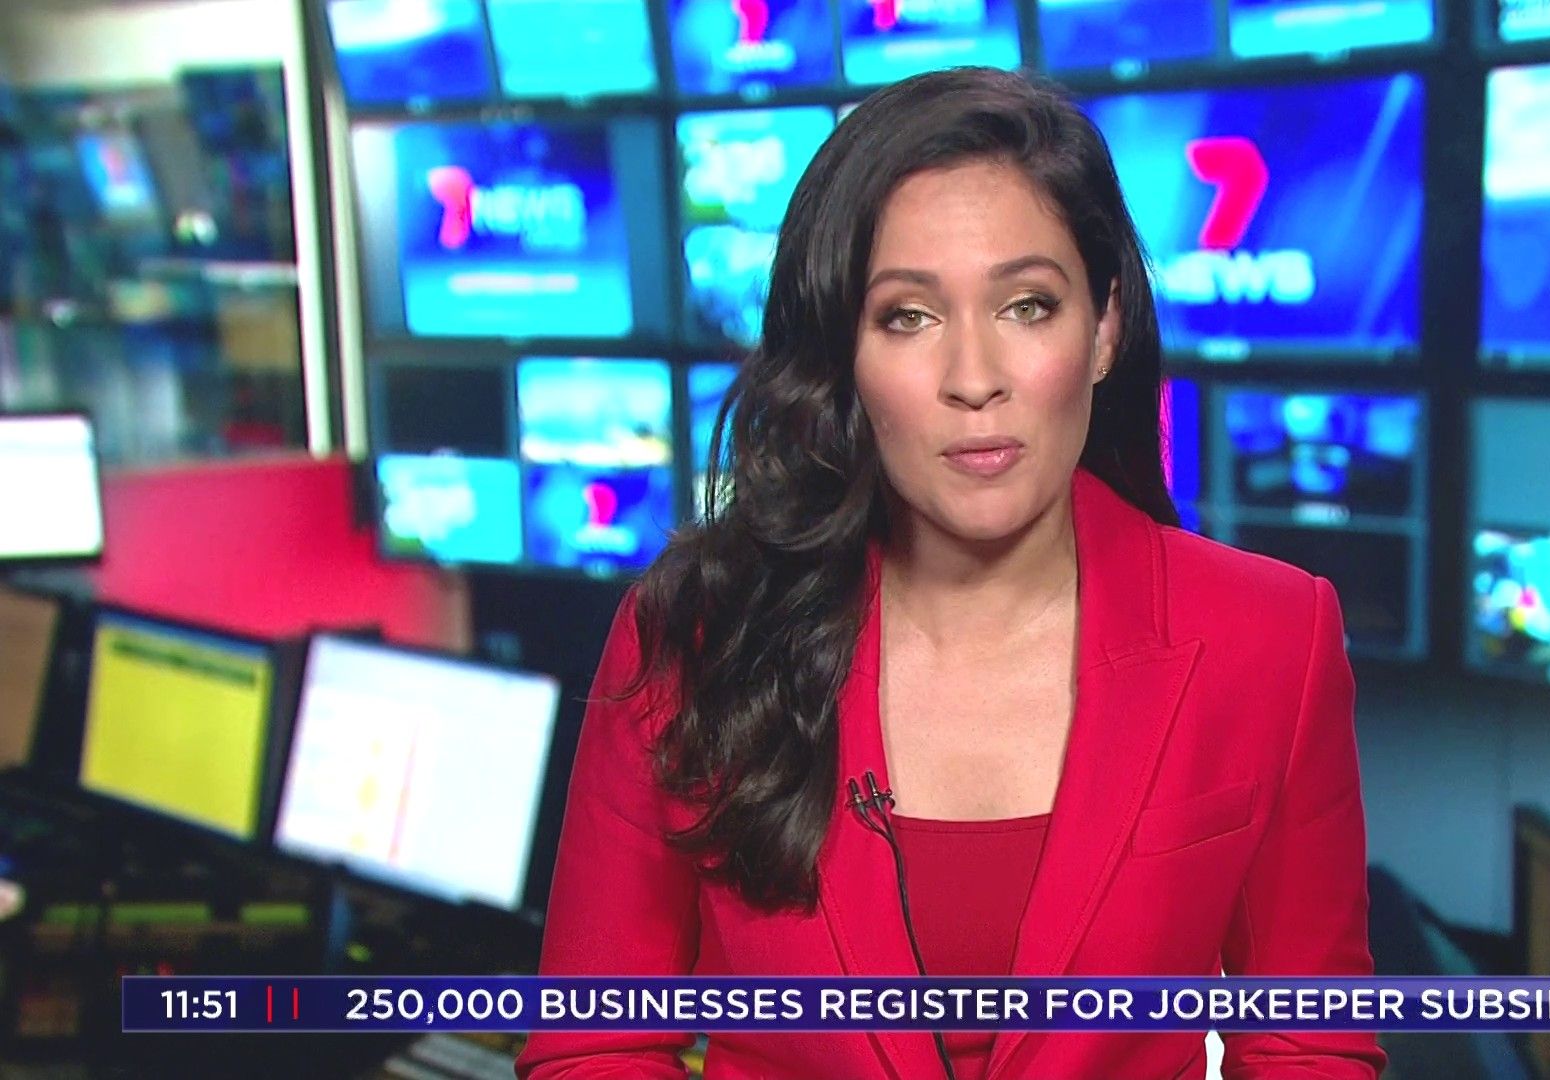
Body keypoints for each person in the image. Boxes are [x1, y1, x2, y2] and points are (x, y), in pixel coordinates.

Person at [517, 67, 1384, 1080]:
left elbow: (1309, 1044)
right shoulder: (696, 634)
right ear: (843, 354)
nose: (975, 380)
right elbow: (595, 1041)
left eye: (1027, 305)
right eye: (908, 317)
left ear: (1103, 328)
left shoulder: (1270, 638)